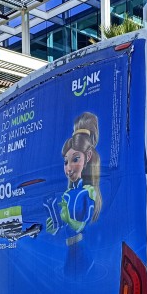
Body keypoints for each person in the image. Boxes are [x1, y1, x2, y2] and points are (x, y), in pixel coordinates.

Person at [45, 112, 103, 275]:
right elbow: (63, 225)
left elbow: (81, 224)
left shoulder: (88, 192)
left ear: (88, 157)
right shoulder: (69, 193)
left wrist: (68, 220)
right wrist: (54, 224)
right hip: (70, 254)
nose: (68, 167)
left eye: (75, 159)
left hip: (82, 254)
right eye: (66, 161)